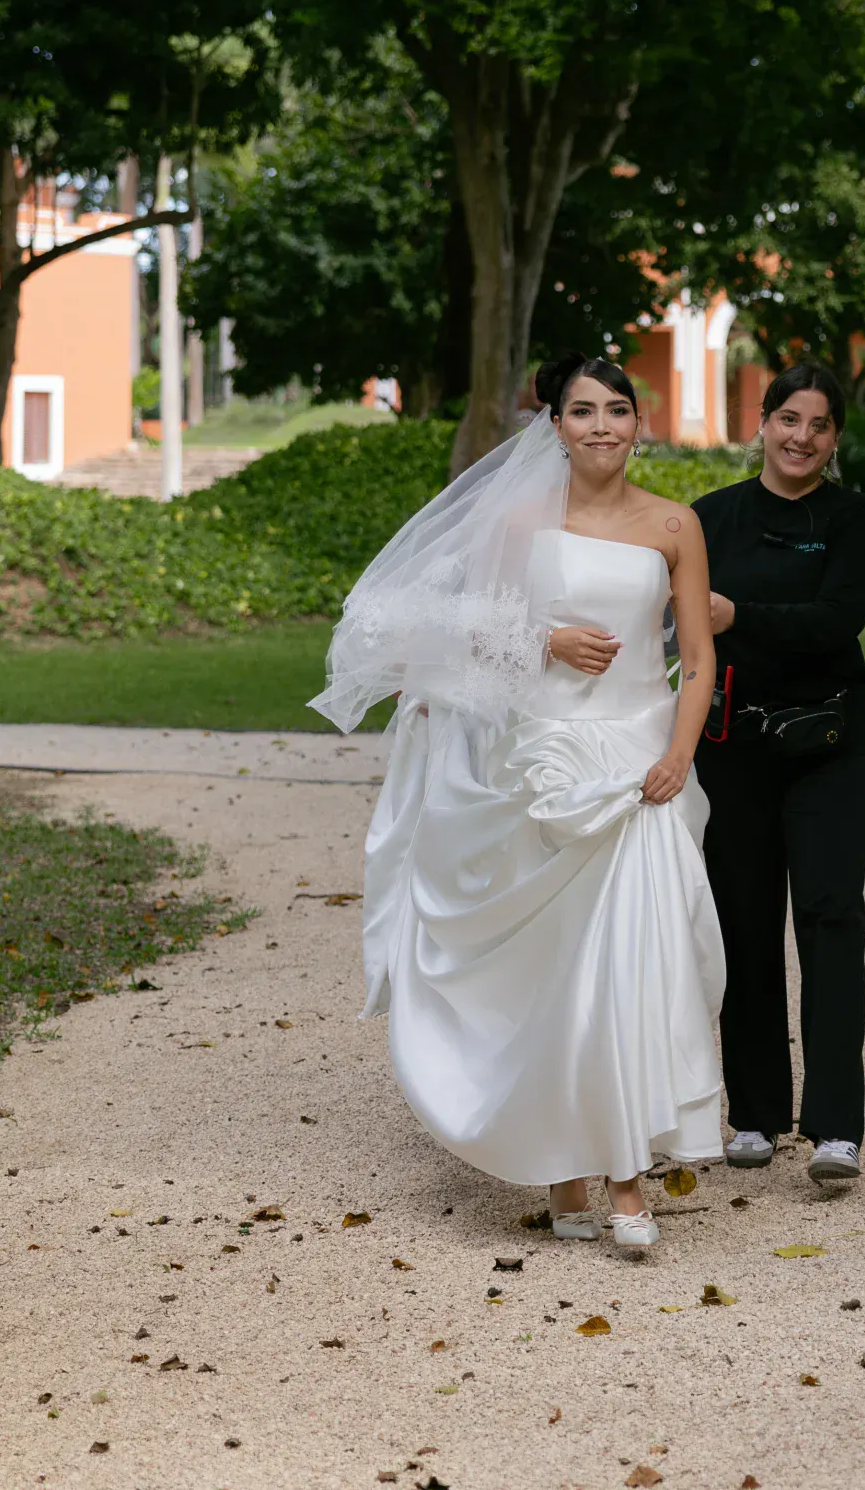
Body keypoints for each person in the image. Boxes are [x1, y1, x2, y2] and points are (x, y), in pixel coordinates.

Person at [310, 353, 724, 1254]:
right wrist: (543, 637)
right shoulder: (519, 519)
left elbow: (698, 656)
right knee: (557, 971)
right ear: (556, 426)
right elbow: (418, 619)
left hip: (641, 763)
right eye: (583, 411)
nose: (603, 426)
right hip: (540, 762)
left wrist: (678, 752)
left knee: (639, 960)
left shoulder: (674, 525)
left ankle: (627, 1174)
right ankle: (570, 1179)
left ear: (639, 424)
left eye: (619, 409)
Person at [693, 361, 865, 1184]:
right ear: (762, 423)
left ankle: (836, 1124)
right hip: (732, 748)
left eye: (818, 426)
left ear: (834, 438)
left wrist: (739, 616)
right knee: (742, 924)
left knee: (830, 916)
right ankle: (757, 1114)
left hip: (830, 747)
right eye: (788, 420)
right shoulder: (708, 519)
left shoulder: (856, 520)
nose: (801, 438)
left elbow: (833, 623)